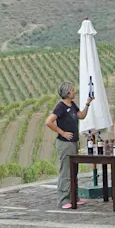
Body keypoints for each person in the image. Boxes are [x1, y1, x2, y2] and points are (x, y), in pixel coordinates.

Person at [45, 81, 93, 210]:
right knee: (66, 171)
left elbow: (81, 116)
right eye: (72, 90)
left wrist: (88, 103)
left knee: (74, 170)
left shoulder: (72, 105)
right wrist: (62, 132)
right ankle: (63, 199)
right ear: (67, 93)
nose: (74, 92)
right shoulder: (60, 107)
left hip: (73, 142)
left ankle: (74, 197)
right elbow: (49, 122)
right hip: (65, 143)